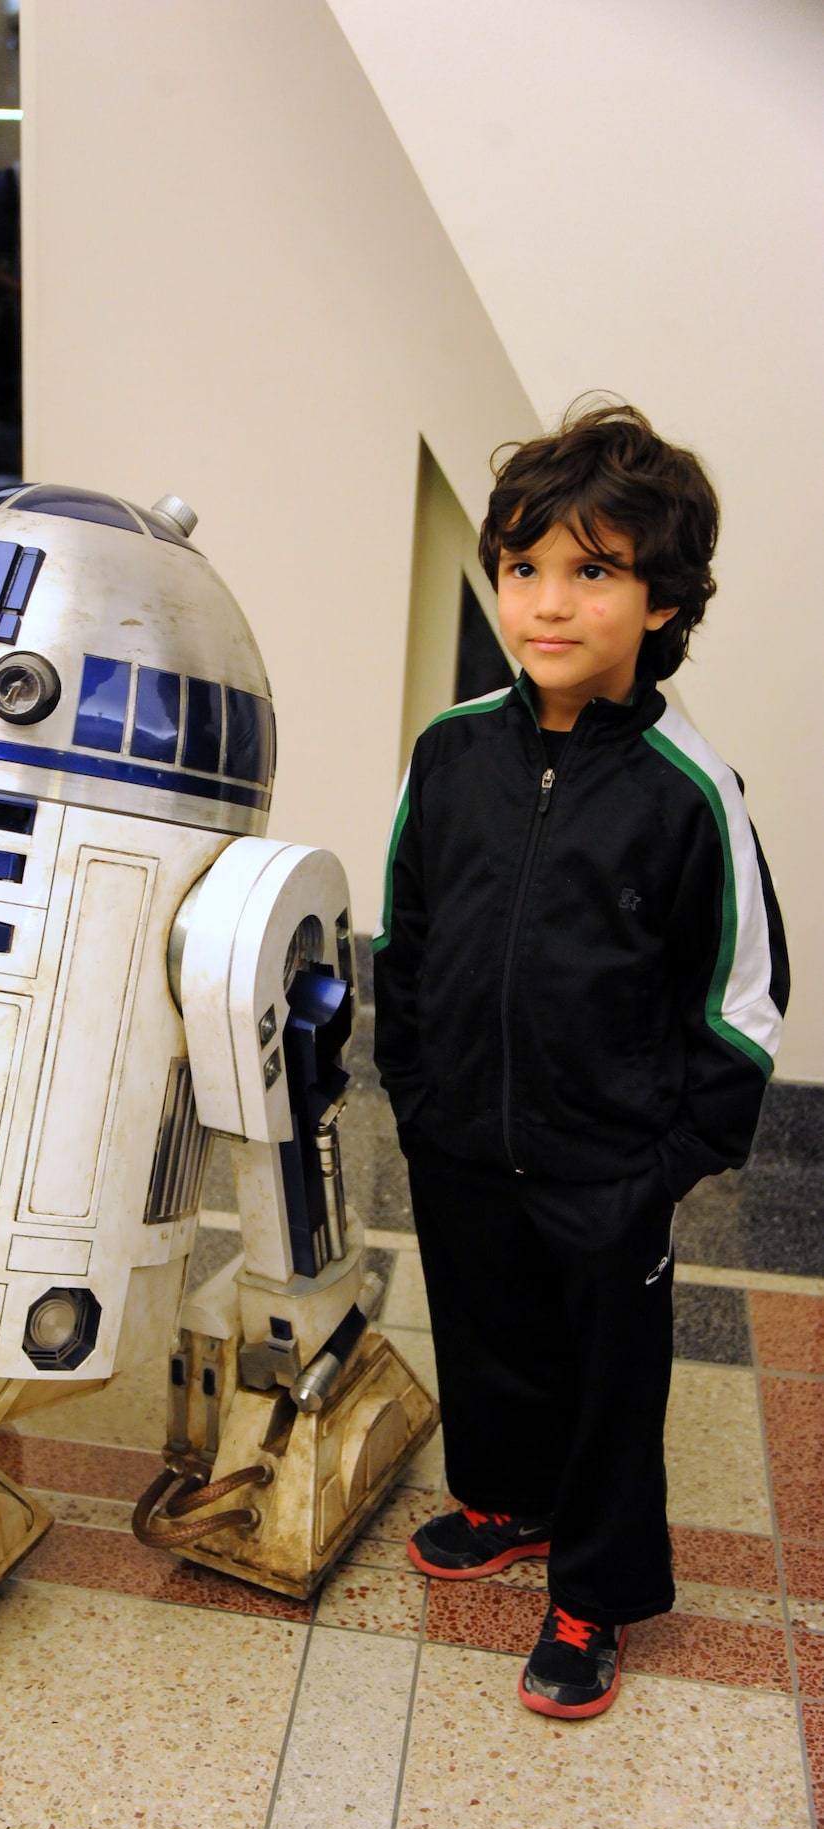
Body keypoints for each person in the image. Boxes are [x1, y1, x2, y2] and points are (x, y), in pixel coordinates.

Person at [372, 400, 789, 1719]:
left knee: (611, 1379)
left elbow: (739, 999)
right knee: (487, 1332)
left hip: (607, 1161)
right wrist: (417, 1088)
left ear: (660, 601)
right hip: (462, 1138)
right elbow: (405, 928)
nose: (545, 601)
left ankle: (593, 1590)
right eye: (521, 565)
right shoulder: (446, 755)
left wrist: (666, 1160)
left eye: (590, 570)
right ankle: (502, 1495)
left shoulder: (684, 788)